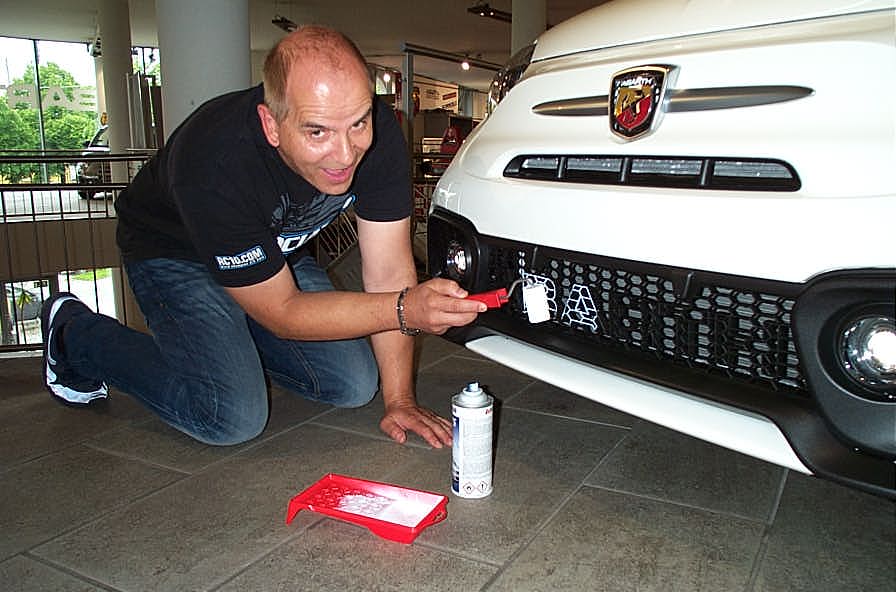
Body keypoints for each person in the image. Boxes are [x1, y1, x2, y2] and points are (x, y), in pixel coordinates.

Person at [40, 25, 486, 448]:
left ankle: (239, 323)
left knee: (353, 385)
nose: (345, 154)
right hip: (175, 253)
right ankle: (74, 334)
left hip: (274, 252)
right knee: (230, 416)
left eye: (358, 123)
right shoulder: (215, 163)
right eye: (317, 131)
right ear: (272, 125)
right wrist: (407, 309)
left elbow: (388, 270)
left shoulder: (379, 134)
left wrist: (400, 400)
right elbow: (287, 310)